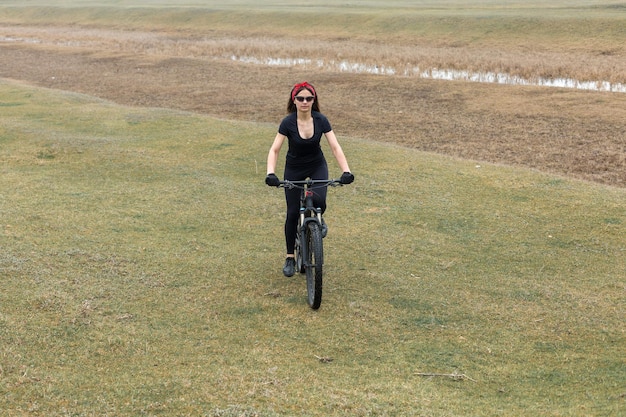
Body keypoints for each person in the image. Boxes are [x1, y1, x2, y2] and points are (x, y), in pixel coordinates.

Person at [265, 81, 354, 277]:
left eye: (309, 98)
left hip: (316, 165)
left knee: (320, 198)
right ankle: (290, 256)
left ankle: (318, 219)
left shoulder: (321, 120)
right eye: (300, 98)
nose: (305, 102)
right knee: (292, 212)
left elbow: (335, 147)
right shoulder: (287, 123)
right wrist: (271, 173)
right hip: (294, 168)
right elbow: (275, 149)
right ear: (294, 100)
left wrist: (346, 171)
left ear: (314, 100)